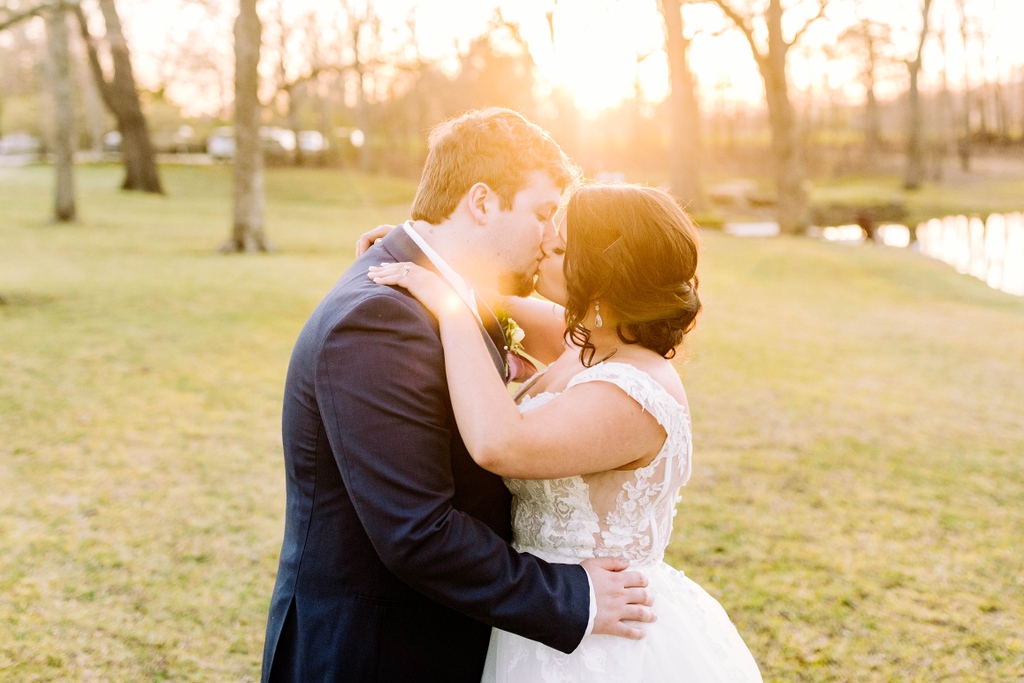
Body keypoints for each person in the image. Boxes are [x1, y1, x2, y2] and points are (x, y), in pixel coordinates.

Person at [260, 108, 655, 683]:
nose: (552, 239)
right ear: (481, 201)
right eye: (543, 213)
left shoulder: (440, 295)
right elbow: (416, 532)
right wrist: (576, 595)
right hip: (374, 653)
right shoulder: (378, 320)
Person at [368, 183, 764, 682]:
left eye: (557, 249)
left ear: (601, 278)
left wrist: (446, 306)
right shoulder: (593, 340)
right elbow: (491, 301)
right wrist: (422, 253)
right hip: (545, 608)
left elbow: (500, 443)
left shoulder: (631, 391)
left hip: (601, 628)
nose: (543, 246)